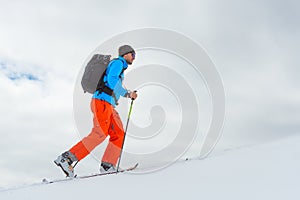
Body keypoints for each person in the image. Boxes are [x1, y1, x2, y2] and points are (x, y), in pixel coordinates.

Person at [54, 45, 138, 177]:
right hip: (101, 102)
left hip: (108, 104)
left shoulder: (120, 66)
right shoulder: (118, 63)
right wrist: (127, 94)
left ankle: (107, 165)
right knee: (100, 133)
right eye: (133, 55)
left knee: (118, 133)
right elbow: (112, 80)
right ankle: (67, 158)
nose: (134, 58)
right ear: (125, 54)